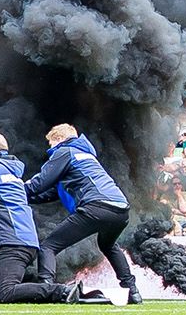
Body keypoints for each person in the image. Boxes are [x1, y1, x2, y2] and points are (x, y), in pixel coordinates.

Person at [0, 133, 80, 305]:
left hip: (11, 242)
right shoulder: (13, 173)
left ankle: (62, 291)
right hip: (24, 241)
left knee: (6, 292)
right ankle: (57, 292)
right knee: (5, 290)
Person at [24, 124, 140, 303]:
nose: (49, 148)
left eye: (50, 143)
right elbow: (52, 193)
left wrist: (14, 191)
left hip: (96, 207)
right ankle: (132, 291)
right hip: (120, 210)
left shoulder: (65, 151)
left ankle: (45, 290)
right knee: (108, 245)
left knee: (48, 246)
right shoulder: (86, 156)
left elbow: (40, 182)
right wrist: (27, 198)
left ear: (59, 139)